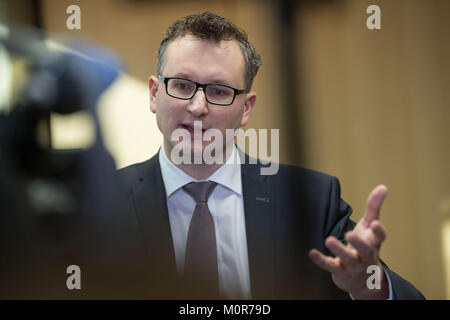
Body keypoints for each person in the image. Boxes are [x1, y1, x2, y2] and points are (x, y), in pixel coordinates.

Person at [117, 12, 424, 300]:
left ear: (246, 108)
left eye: (220, 91)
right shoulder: (101, 201)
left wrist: (369, 283)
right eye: (182, 85)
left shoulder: (309, 199)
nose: (198, 107)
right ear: (155, 94)